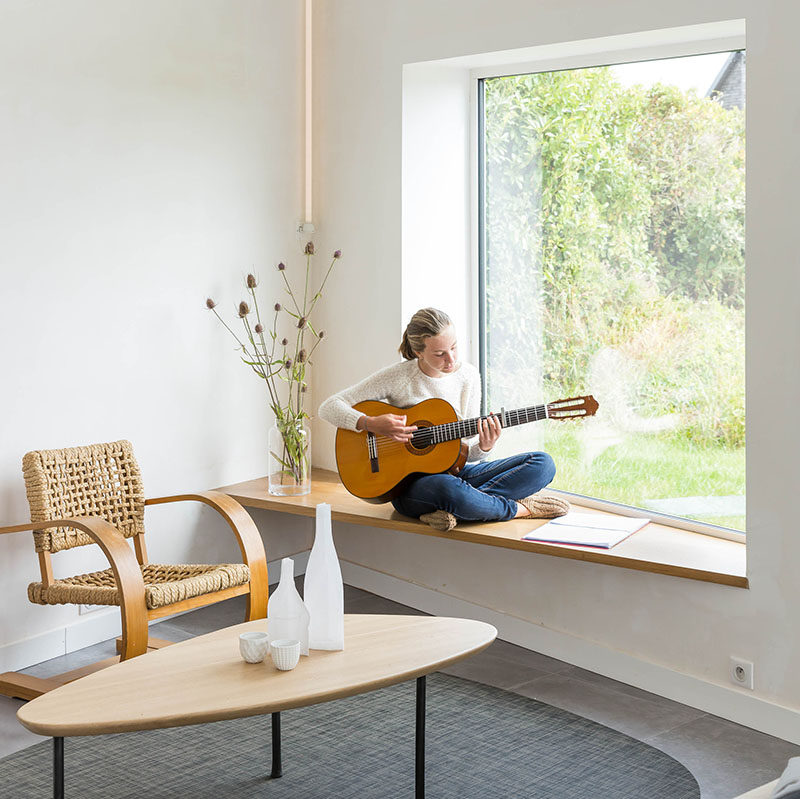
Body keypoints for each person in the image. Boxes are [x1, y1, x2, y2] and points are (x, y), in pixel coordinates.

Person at [318, 308, 568, 531]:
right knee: (446, 489)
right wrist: (369, 423)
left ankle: (459, 509)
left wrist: (484, 446)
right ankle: (519, 510)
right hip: (411, 487)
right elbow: (329, 407)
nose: (451, 360)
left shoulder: (468, 376)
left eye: (454, 348)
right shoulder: (399, 376)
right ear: (419, 352)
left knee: (543, 464)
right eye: (439, 353)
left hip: (456, 473)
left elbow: (463, 453)